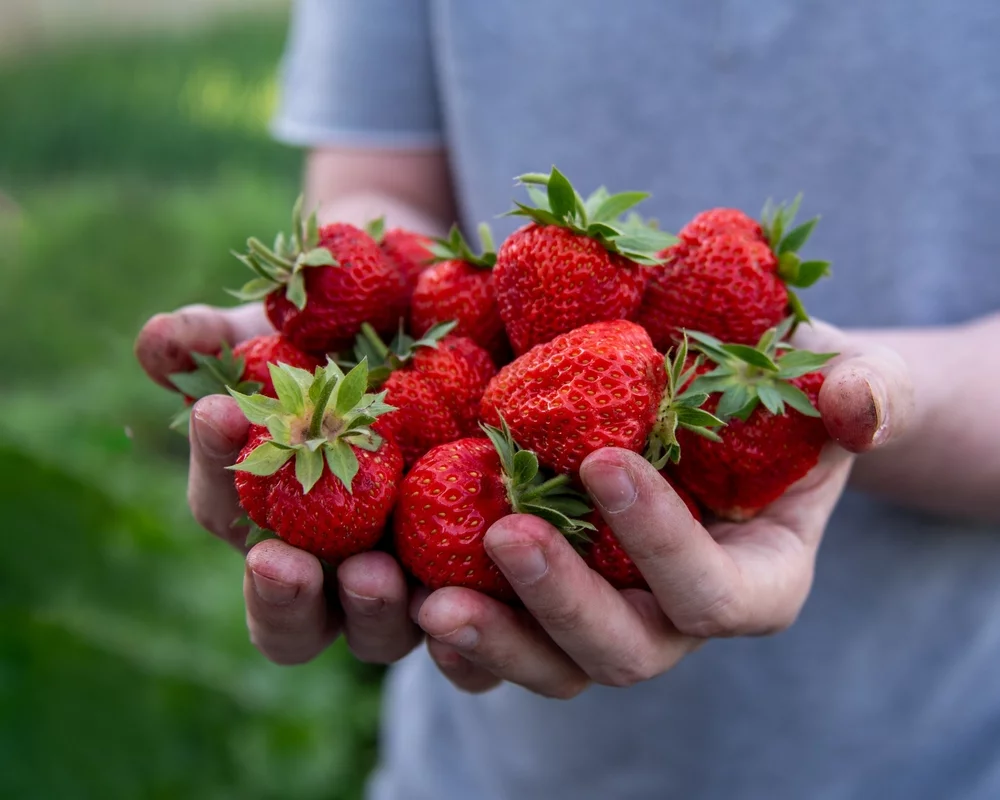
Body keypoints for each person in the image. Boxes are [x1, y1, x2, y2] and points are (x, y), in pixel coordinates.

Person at [135, 2, 1000, 798]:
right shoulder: (561, 371)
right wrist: (366, 301)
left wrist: (839, 411)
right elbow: (377, 187)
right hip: (488, 763)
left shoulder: (634, 375)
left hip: (936, 748)